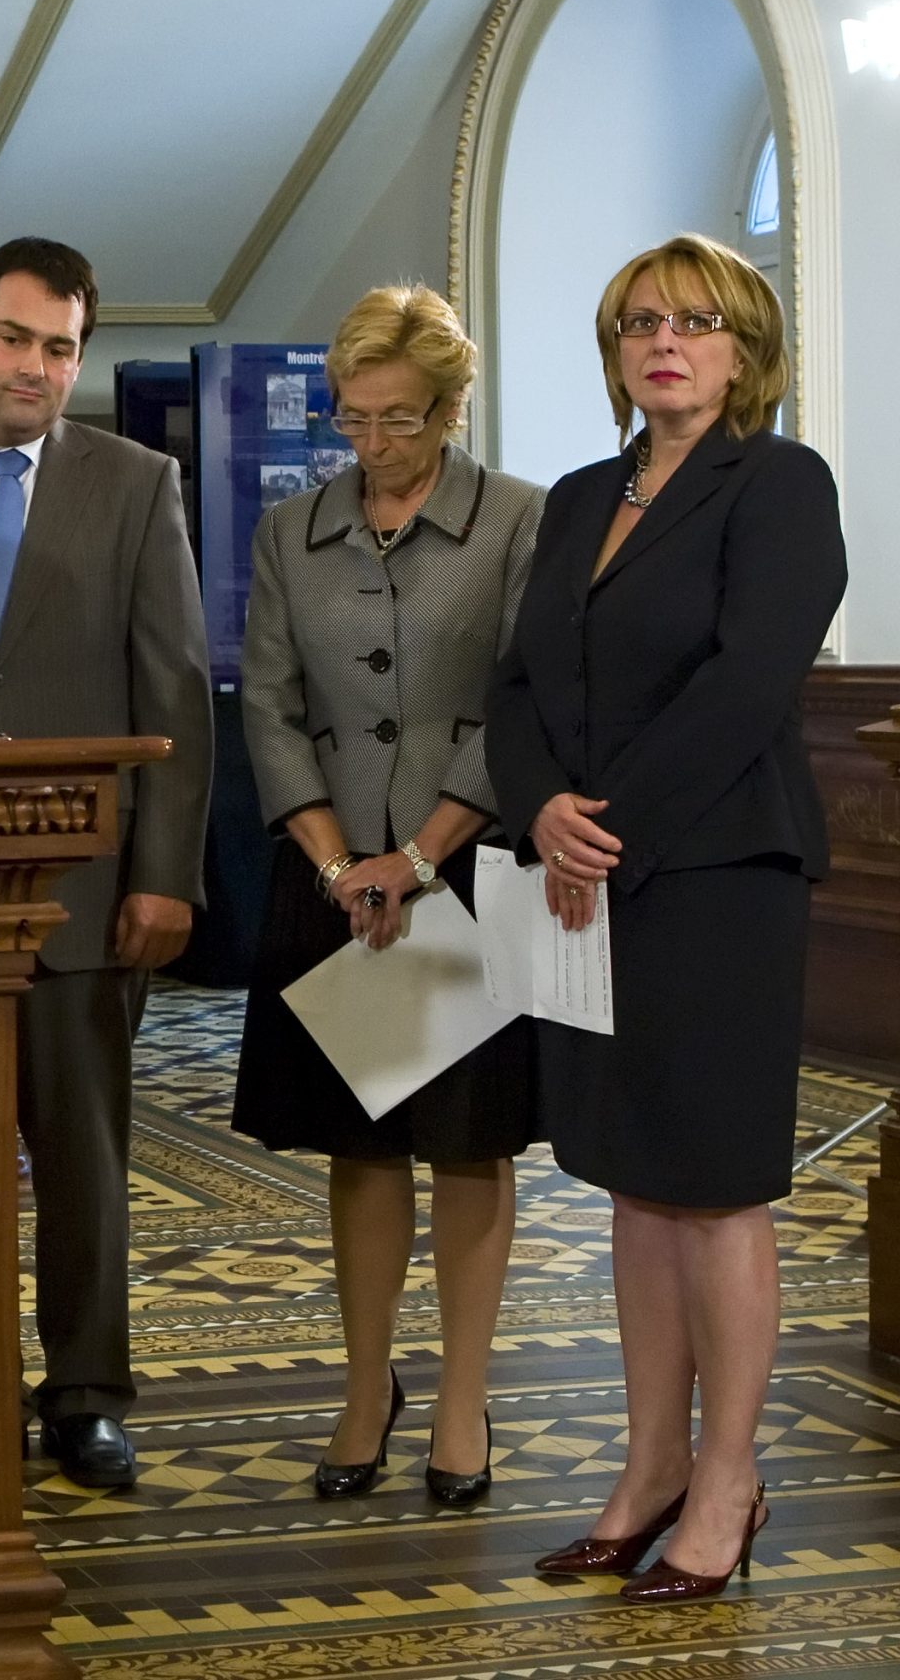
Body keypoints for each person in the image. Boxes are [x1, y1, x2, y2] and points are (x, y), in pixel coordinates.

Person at [490, 235, 843, 1601]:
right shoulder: (581, 497)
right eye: (641, 321)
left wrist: (608, 820)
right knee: (633, 1182)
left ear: (745, 348)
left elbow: (752, 677)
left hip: (713, 872)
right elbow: (517, 681)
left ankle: (730, 1480)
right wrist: (545, 811)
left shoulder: (779, 483)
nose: (665, 341)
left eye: (696, 321)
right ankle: (647, 1471)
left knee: (714, 1186)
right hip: (581, 869)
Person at [0, 237, 211, 1490]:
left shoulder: (136, 484)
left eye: (62, 347)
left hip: (82, 891)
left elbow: (174, 687)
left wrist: (165, 872)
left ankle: (84, 1393)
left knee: (82, 1161)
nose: (36, 366)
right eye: (16, 338)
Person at [233, 284, 543, 1507]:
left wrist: (415, 856)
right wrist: (334, 862)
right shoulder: (286, 531)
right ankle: (368, 1389)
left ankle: (461, 1398)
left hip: (461, 870)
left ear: (452, 407)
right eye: (351, 419)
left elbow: (519, 701)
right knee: (356, 1150)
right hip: (331, 876)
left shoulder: (518, 521)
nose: (371, 445)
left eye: (399, 420)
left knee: (467, 1149)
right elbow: (267, 705)